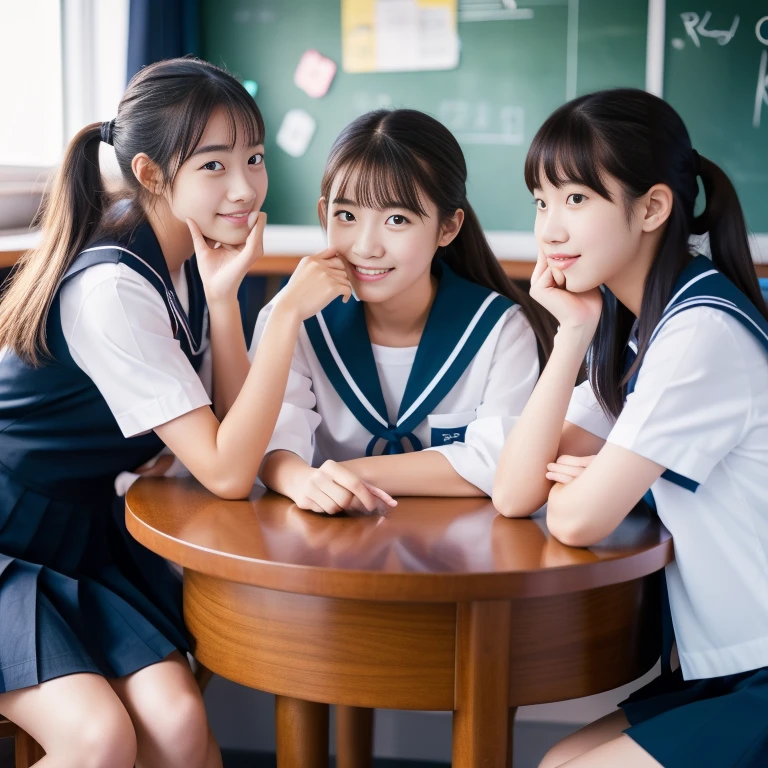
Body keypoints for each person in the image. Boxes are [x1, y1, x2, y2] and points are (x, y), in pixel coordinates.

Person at [0, 57, 350, 768]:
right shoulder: (112, 292)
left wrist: (226, 302)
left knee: (180, 724)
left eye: (253, 158)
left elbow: (228, 427)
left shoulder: (185, 258)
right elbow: (227, 470)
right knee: (98, 740)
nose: (246, 187)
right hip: (8, 539)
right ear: (154, 175)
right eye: (214, 166)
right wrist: (279, 317)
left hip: (74, 537)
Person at [492, 88, 768, 768]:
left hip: (759, 663)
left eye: (577, 200)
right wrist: (572, 333)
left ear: (651, 208)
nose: (550, 230)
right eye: (541, 201)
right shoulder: (638, 330)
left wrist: (602, 478)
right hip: (728, 662)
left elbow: (578, 521)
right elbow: (515, 489)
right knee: (558, 762)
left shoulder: (698, 331)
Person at [246, 108, 555, 514]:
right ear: (324, 214)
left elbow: (502, 462)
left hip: (464, 558)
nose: (366, 246)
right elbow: (269, 443)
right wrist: (300, 479)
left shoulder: (500, 329)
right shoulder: (295, 318)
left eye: (396, 219)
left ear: (448, 227)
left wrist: (345, 473)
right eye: (347, 216)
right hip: (323, 547)